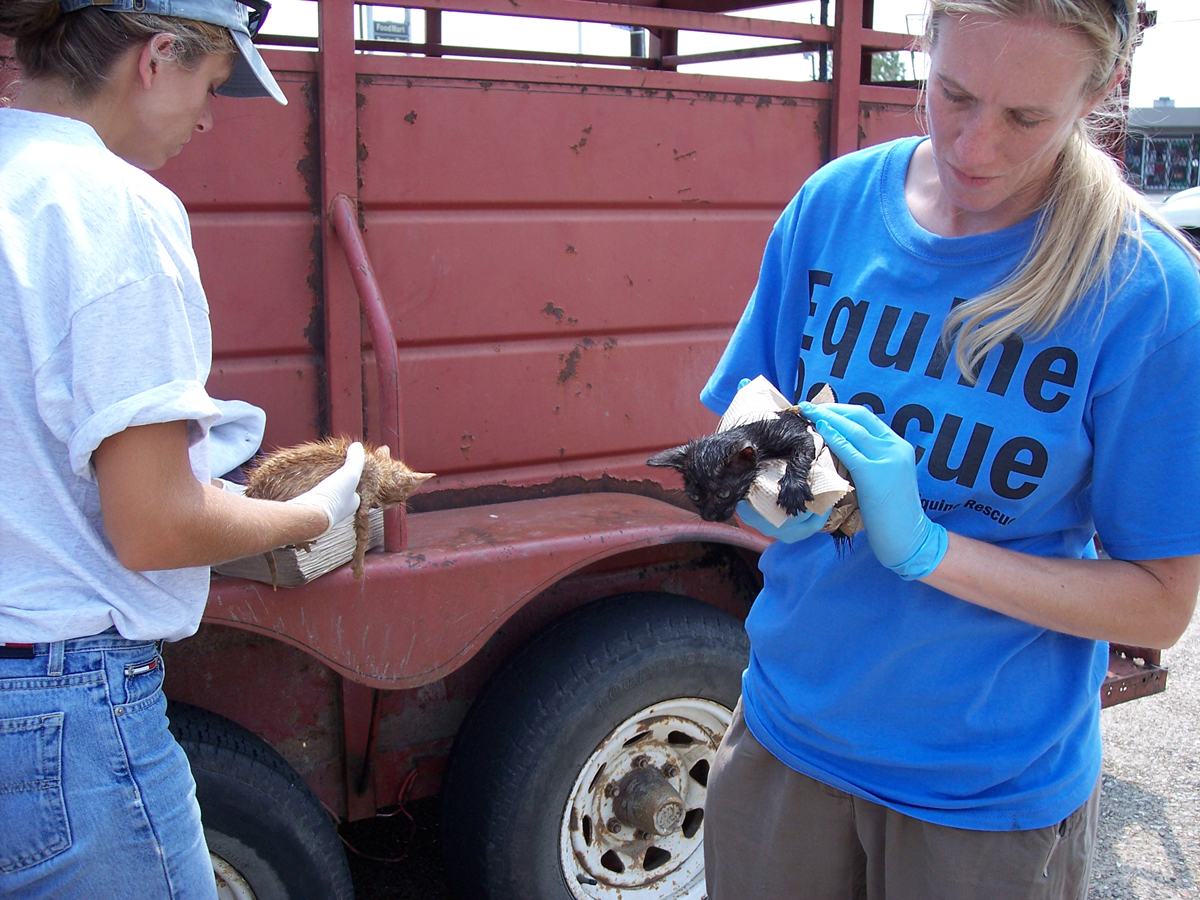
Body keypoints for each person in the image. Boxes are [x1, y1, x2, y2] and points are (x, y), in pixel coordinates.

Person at [699, 0, 1200, 897]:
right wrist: (763, 488)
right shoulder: (835, 207)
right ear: (921, 53)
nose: (974, 147)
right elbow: (747, 428)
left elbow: (1160, 607)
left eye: (1025, 118)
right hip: (786, 741)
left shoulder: (1146, 292)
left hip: (979, 801)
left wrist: (931, 550)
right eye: (953, 93)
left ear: (1100, 92)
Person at [0, 2, 365, 897]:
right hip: (61, 707)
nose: (209, 117)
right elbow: (158, 525)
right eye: (210, 83)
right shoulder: (112, 208)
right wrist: (322, 510)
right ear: (157, 56)